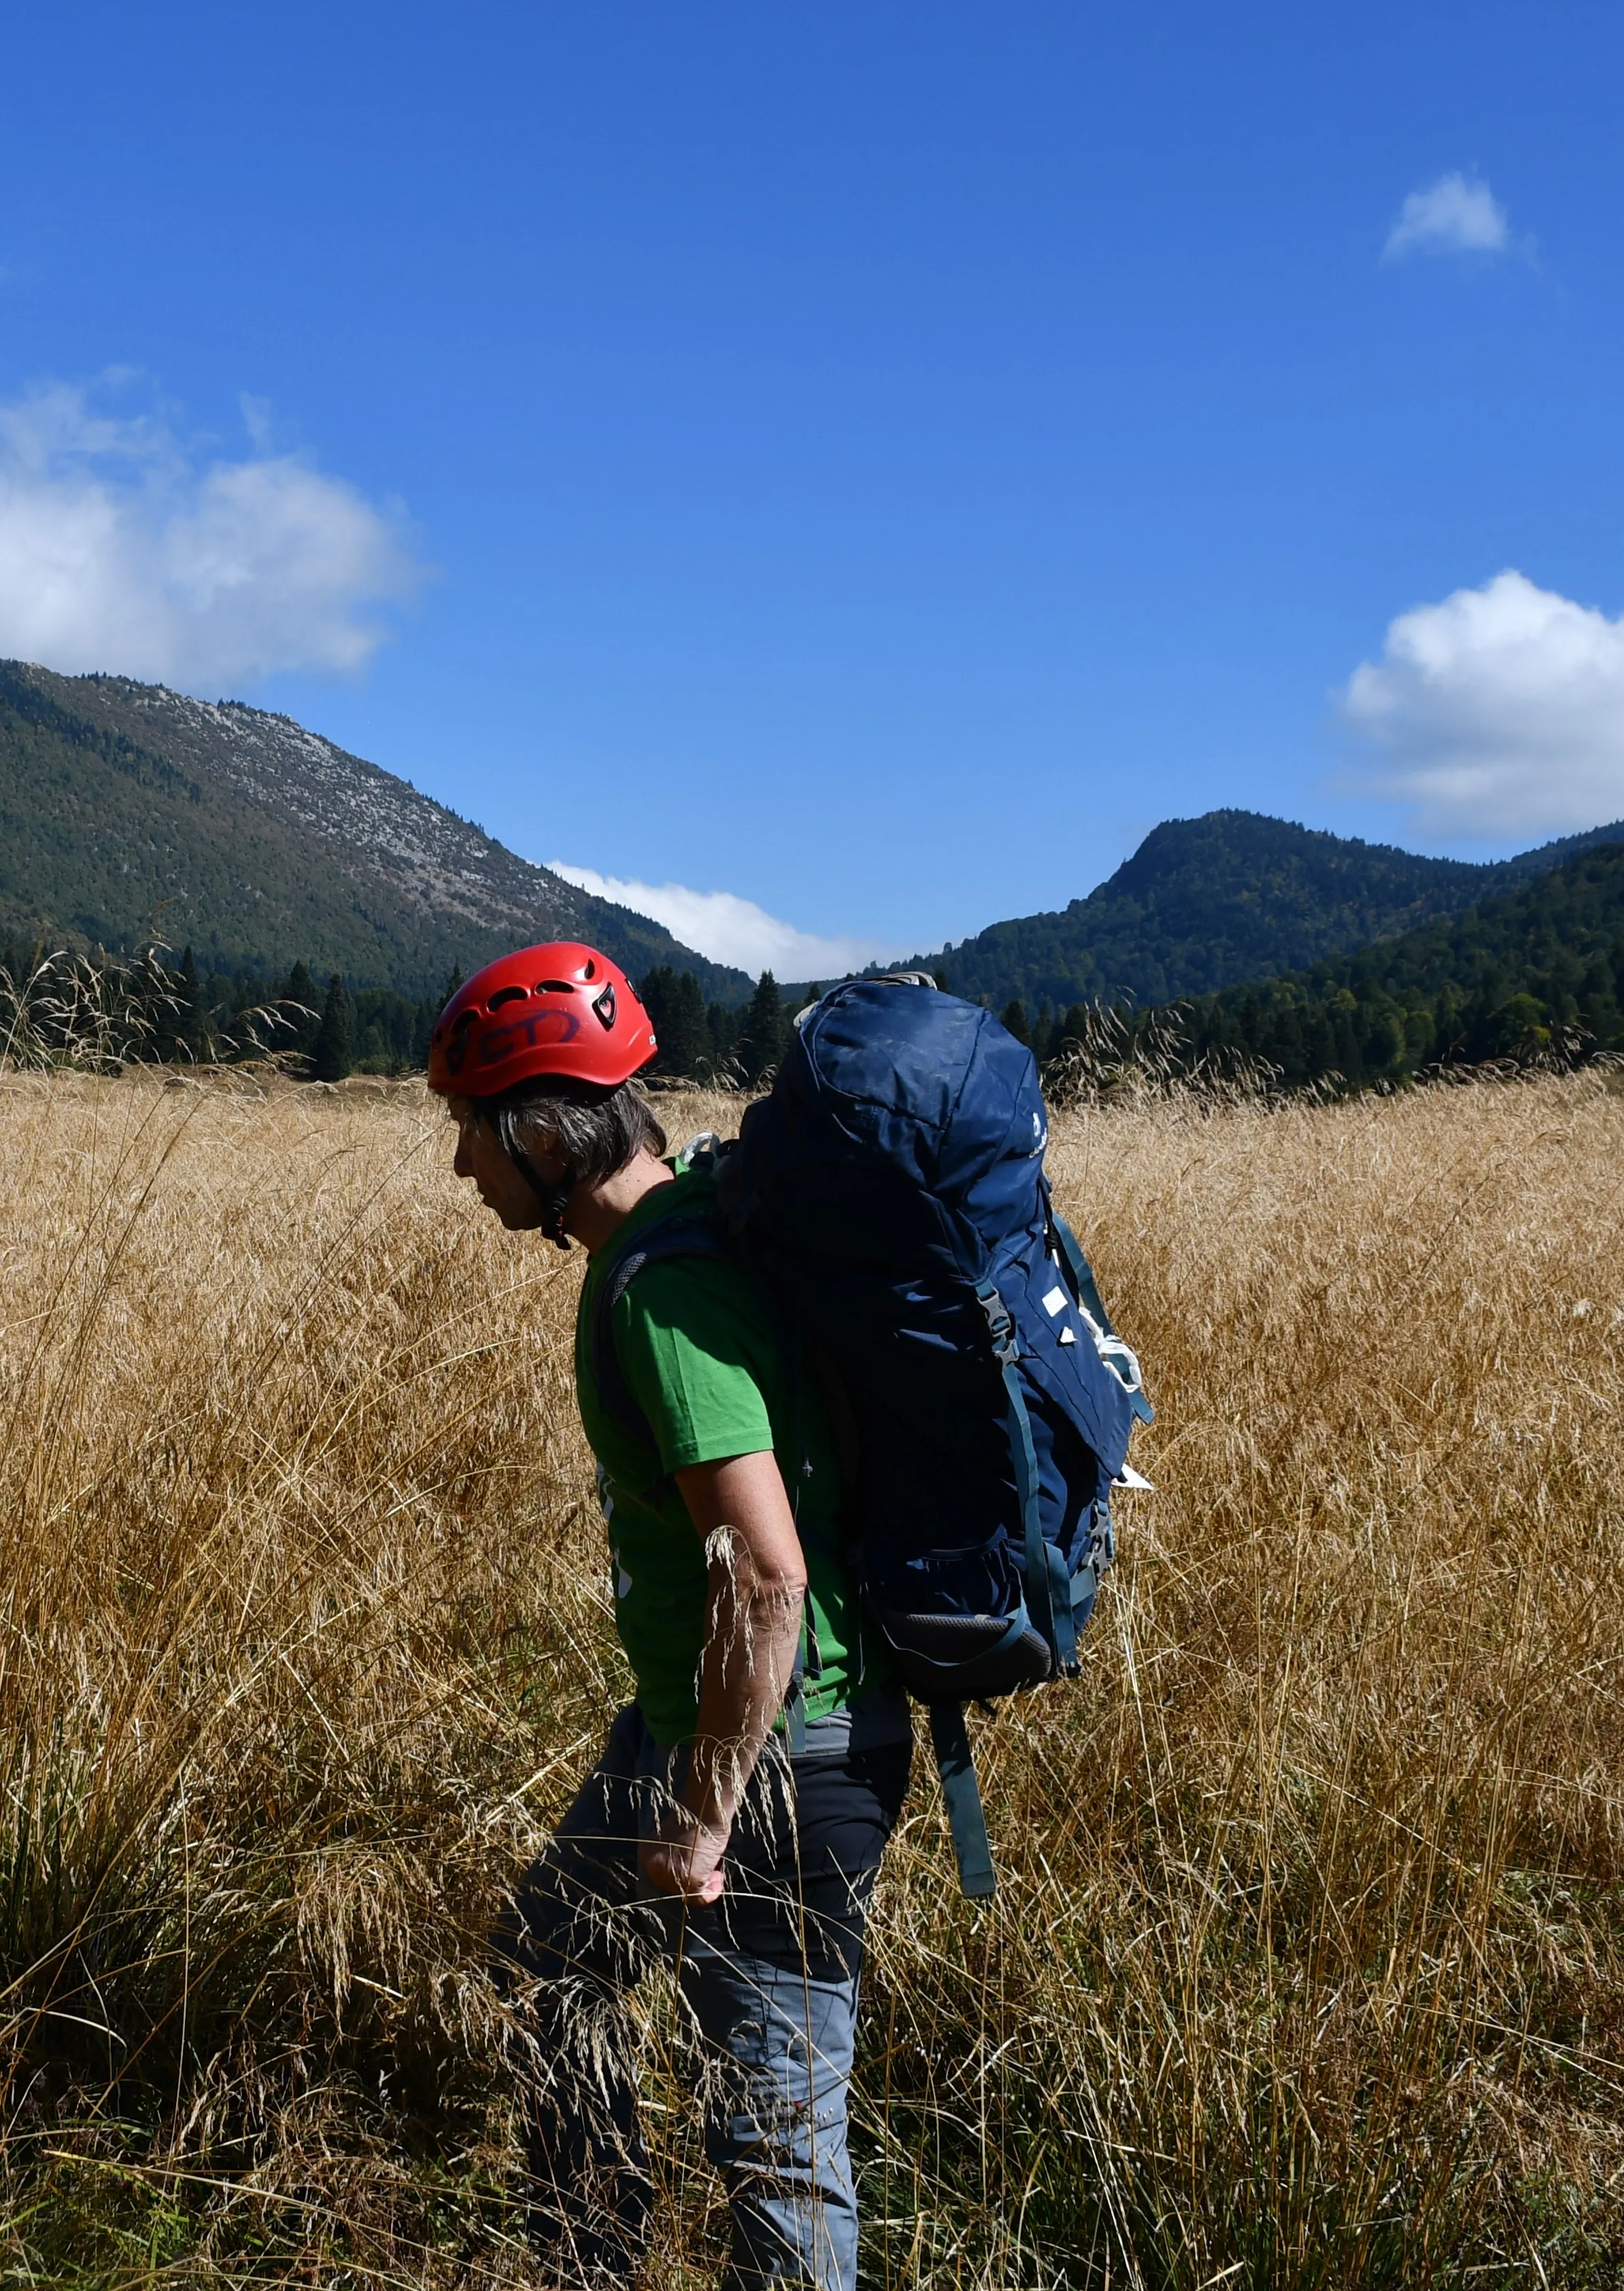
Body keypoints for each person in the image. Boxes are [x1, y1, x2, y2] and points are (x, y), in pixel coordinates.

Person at [430, 941, 912, 2291]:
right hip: (708, 1724)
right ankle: (589, 2264)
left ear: (537, 1130)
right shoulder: (687, 1225)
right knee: (552, 1965)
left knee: (771, 2138)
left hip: (775, 1757)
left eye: (471, 1131)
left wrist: (706, 1802)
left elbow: (764, 1573)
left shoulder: (666, 1293)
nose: (463, 1166)